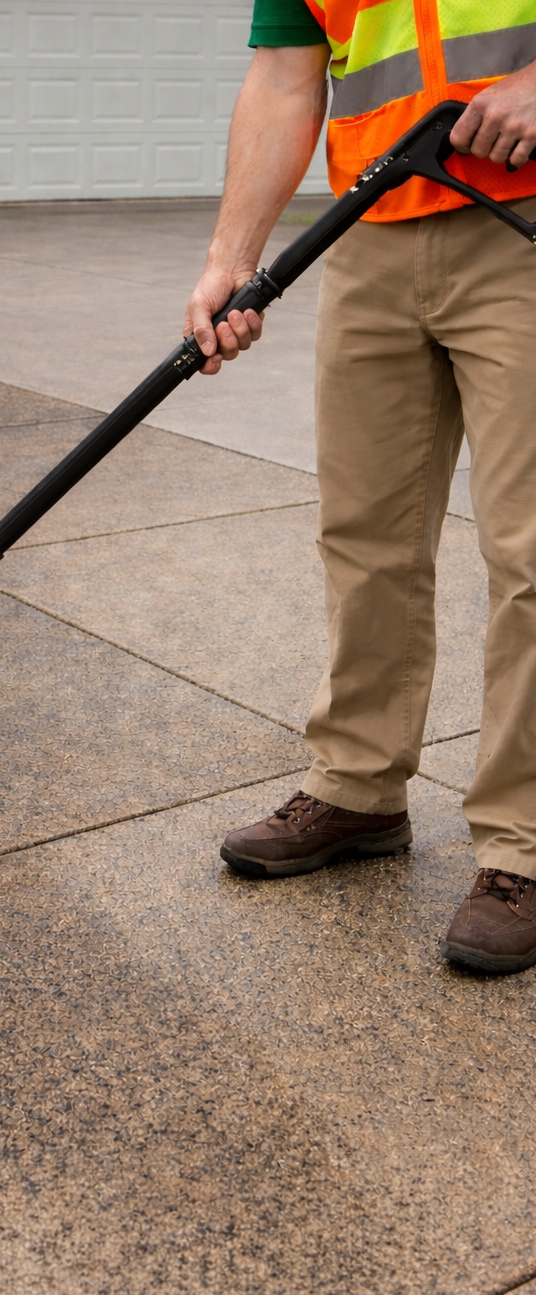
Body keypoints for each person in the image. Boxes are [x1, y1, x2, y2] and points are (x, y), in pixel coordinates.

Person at [185, 0, 536, 973]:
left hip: (521, 220)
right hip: (374, 226)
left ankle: (523, 845)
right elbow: (285, 76)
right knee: (365, 529)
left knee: (530, 552)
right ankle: (358, 782)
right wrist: (231, 258)